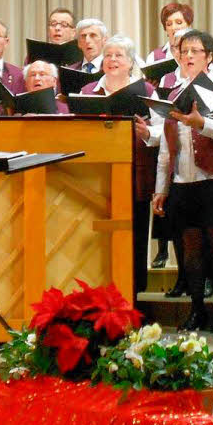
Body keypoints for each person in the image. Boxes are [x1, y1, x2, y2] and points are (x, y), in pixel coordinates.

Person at [152, 30, 213, 332]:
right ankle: (197, 309)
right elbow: (166, 144)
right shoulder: (171, 90)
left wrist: (201, 122)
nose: (188, 56)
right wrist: (161, 188)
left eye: (195, 51)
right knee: (189, 248)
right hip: (182, 178)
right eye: (183, 50)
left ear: (209, 56)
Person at [80, 35, 161, 296]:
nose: (112, 60)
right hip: (97, 173)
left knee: (134, 233)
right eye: (108, 55)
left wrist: (146, 130)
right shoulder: (87, 91)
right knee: (100, 236)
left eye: (119, 55)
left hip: (134, 171)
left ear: (130, 62)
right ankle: (100, 293)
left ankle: (134, 294)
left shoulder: (146, 91)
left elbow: (162, 127)